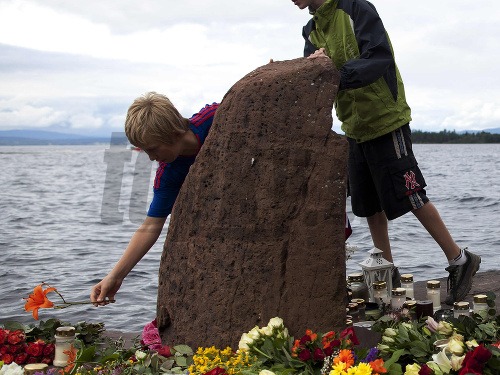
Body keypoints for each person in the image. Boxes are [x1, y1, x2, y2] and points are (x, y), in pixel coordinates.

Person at [290, 0, 480, 304]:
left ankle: (460, 259)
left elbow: (378, 58)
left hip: (385, 118)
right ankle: (387, 276)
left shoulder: (355, 8)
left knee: (411, 193)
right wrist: (313, 66)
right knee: (369, 205)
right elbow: (315, 75)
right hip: (353, 125)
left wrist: (336, 73)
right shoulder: (311, 29)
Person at [90, 92, 219, 305]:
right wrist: (115, 276)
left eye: (152, 149)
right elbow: (151, 225)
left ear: (172, 133)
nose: (150, 158)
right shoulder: (168, 173)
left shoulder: (214, 117)